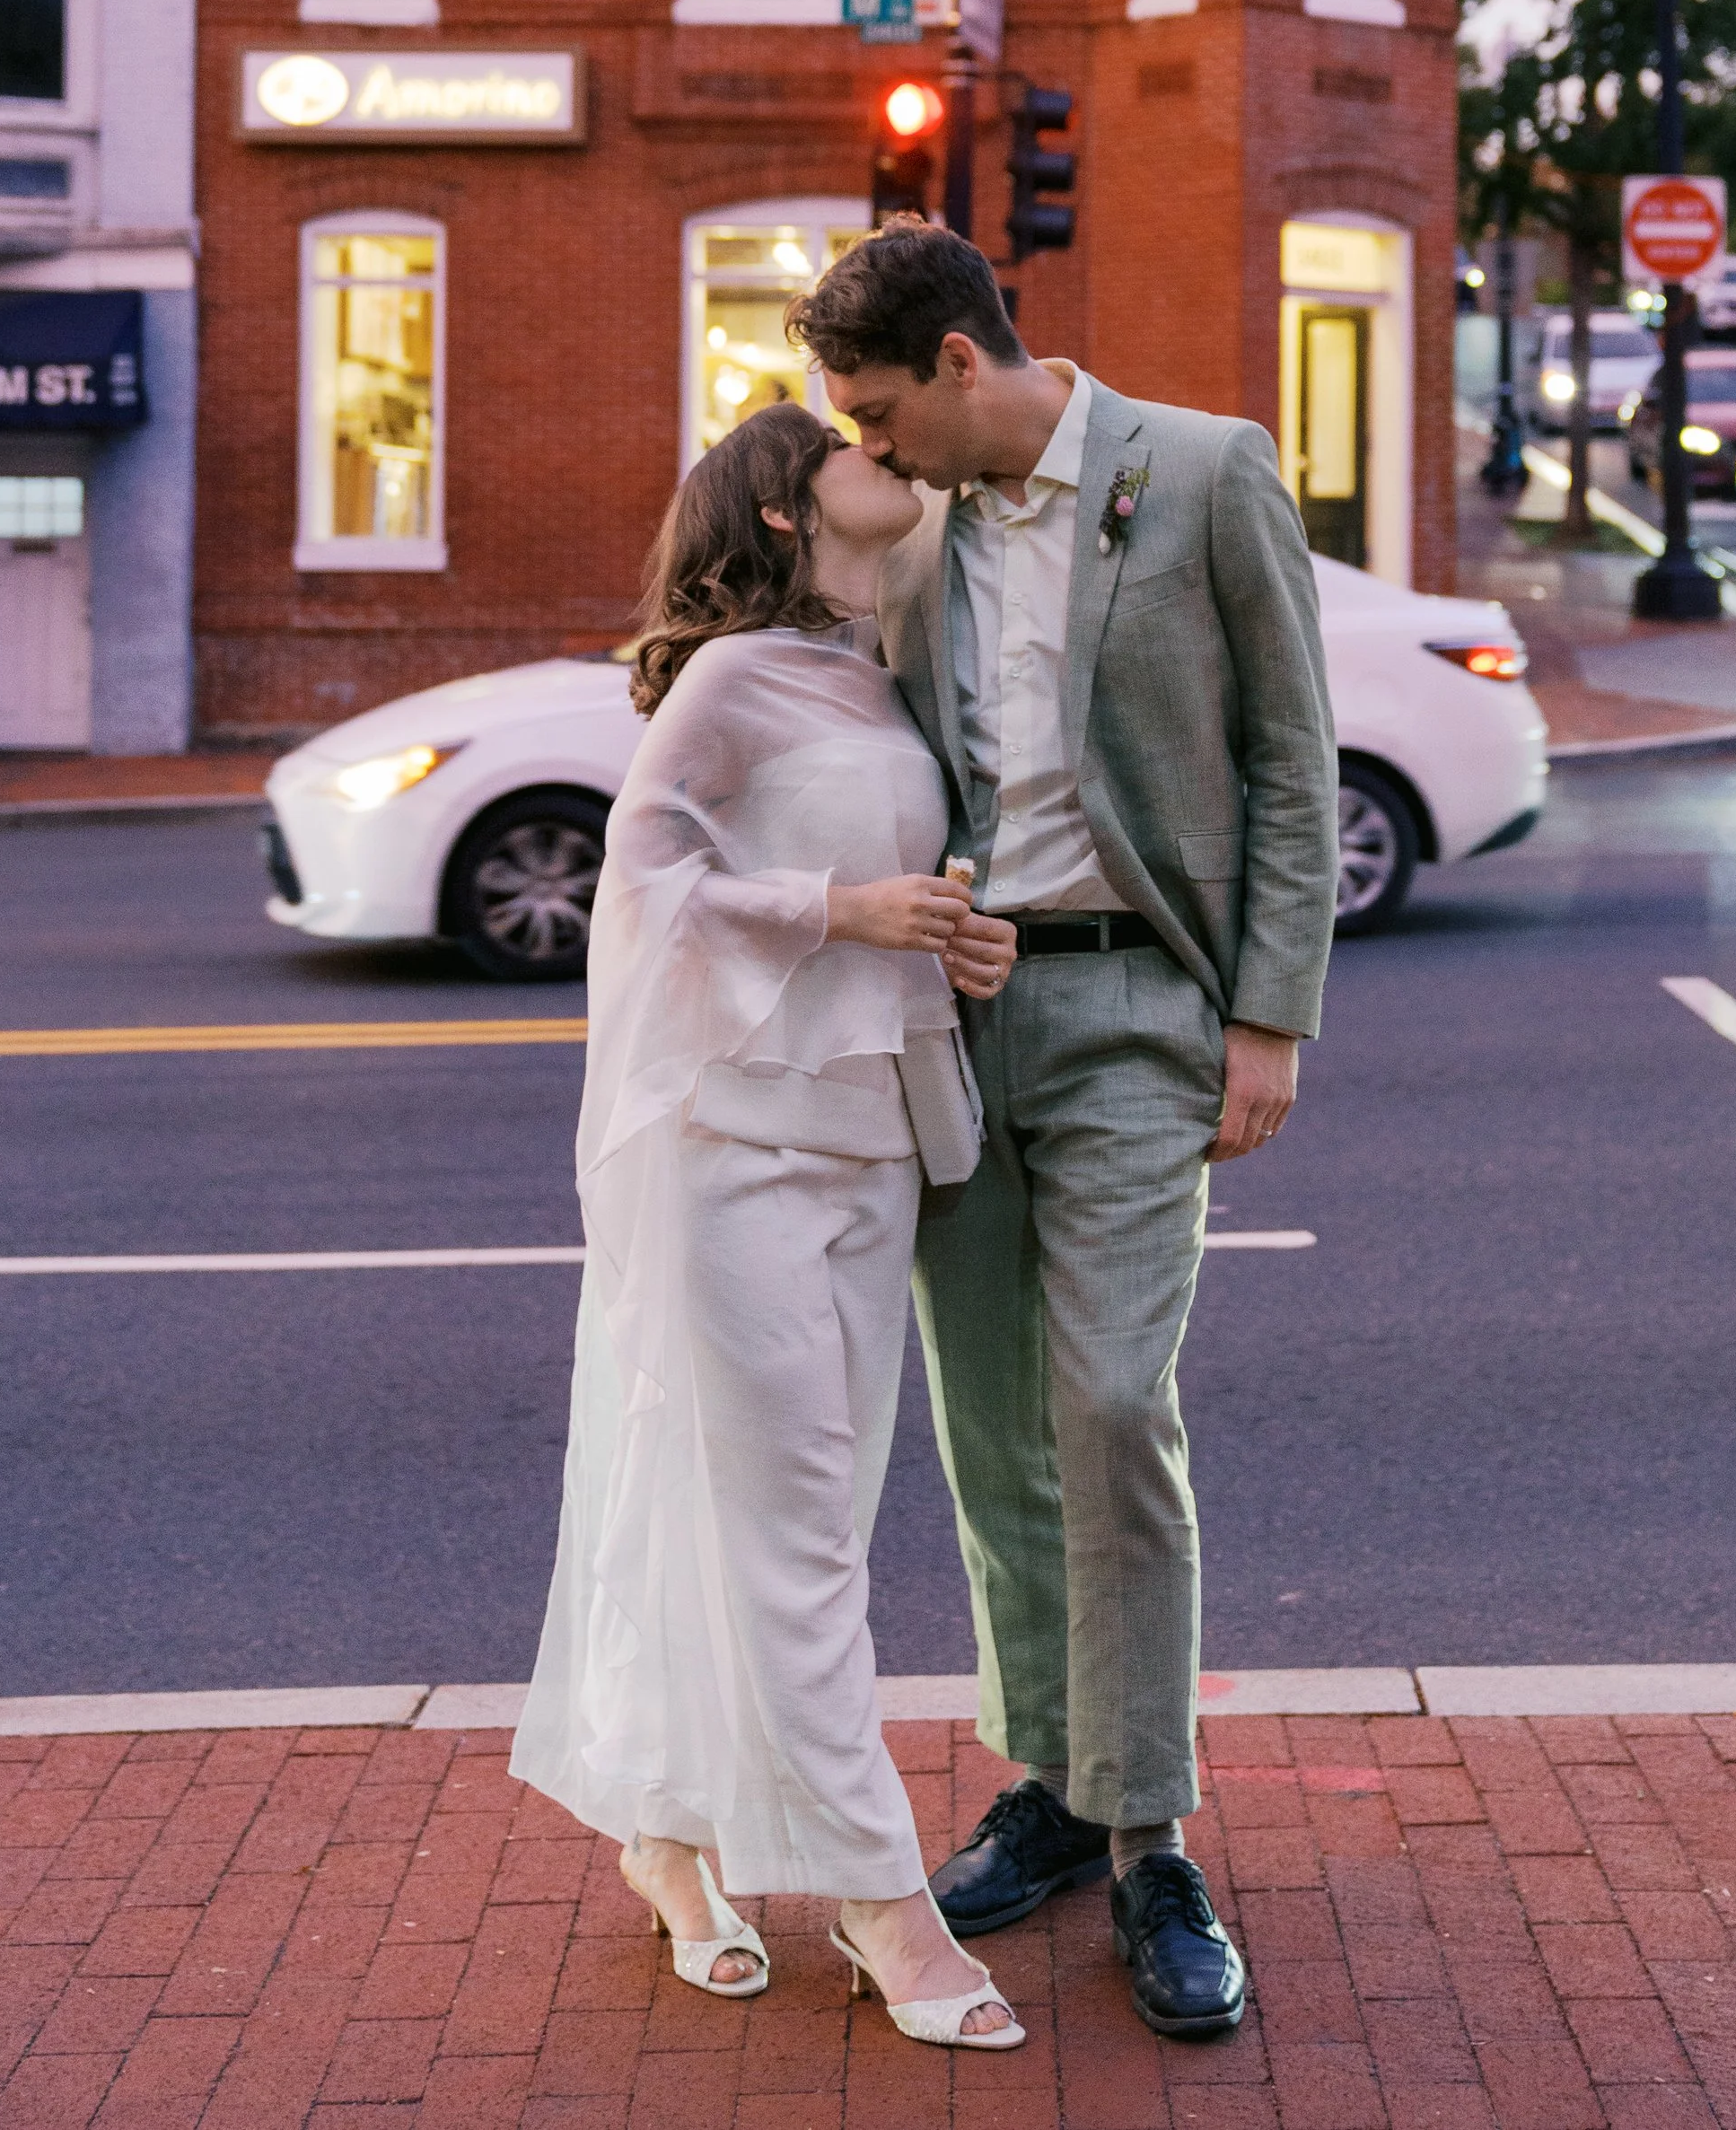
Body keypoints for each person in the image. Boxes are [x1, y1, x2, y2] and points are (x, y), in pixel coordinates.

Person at [790, 223, 1340, 2044]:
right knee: (995, 1426)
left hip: (1132, 1007)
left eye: (877, 413)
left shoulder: (1198, 470)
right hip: (949, 1016)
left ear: (959, 360)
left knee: (1112, 1402)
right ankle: (1055, 1787)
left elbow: (1287, 755)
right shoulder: (912, 529)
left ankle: (1154, 1832)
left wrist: (1264, 1017)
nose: (866, 451)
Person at [511, 401, 1026, 2053]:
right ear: (791, 510)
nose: (889, 451)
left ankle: (664, 1834)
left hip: (869, 1142)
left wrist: (949, 942)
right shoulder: (733, 675)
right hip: (731, 1146)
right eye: (853, 442)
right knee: (796, 1537)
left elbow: (883, 885)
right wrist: (840, 908)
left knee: (768, 1516)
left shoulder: (885, 671)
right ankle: (884, 1901)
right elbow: (640, 881)